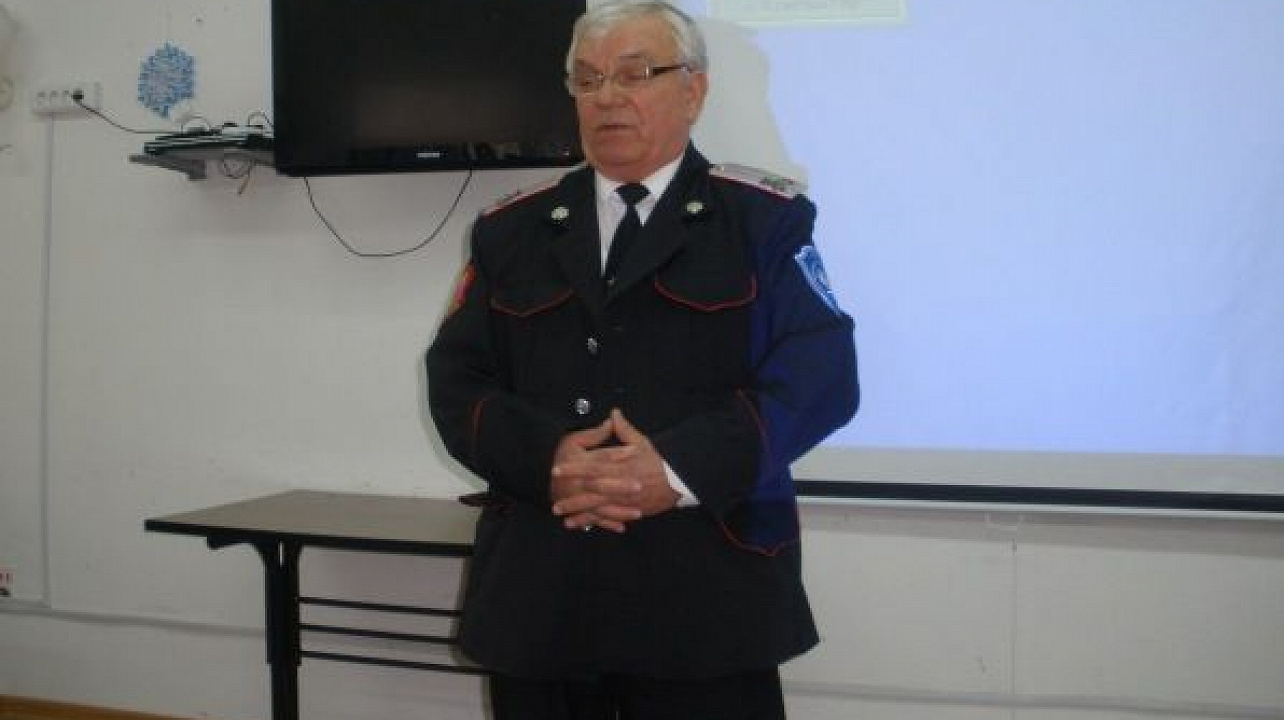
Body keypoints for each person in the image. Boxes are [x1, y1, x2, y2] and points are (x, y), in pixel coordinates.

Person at [426, 2, 857, 717]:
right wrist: (547, 459)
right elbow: (455, 383)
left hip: (708, 604)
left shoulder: (762, 221)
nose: (607, 97)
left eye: (635, 74)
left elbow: (820, 379)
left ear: (694, 90)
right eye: (587, 79)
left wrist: (676, 470)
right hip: (543, 598)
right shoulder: (512, 230)